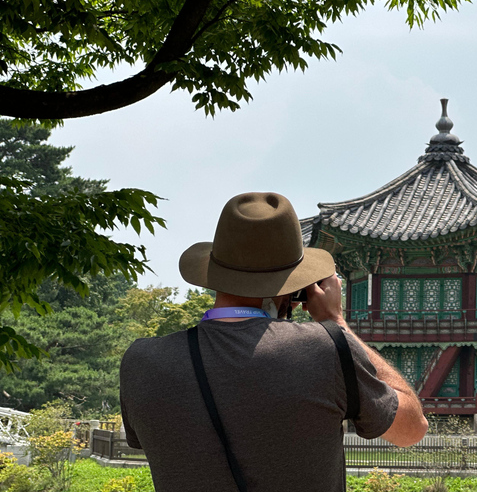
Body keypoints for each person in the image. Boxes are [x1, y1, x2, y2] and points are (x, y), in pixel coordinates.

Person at [119, 192, 428, 492]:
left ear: (214, 272)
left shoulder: (141, 362)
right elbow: (412, 429)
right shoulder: (324, 349)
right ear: (294, 288)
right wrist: (337, 324)